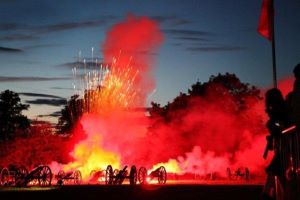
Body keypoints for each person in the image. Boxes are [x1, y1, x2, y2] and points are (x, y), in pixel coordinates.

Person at [263, 88, 290, 200]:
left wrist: (275, 127)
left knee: (275, 169)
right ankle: (274, 194)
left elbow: (282, 126)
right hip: (281, 145)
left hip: (286, 145)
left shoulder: (281, 111)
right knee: (279, 172)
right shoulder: (277, 111)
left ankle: (266, 193)